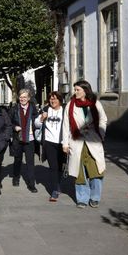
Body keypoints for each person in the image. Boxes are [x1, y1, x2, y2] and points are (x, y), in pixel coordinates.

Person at [62, 80, 107, 208]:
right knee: (79, 172)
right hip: (77, 142)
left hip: (93, 140)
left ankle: (95, 197)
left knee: (96, 171)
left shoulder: (95, 104)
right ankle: (82, 198)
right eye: (75, 90)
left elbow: (103, 119)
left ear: (85, 91)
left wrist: (101, 134)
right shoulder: (71, 105)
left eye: (77, 90)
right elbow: (66, 126)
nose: (75, 92)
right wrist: (65, 144)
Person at [34, 91, 65, 202]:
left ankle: (58, 183)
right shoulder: (46, 109)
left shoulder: (64, 110)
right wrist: (41, 119)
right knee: (53, 167)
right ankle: (55, 190)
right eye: (51, 99)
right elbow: (36, 124)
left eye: (55, 99)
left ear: (60, 100)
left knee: (61, 166)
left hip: (62, 143)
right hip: (49, 142)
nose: (53, 101)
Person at [9, 89, 39, 192]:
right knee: (17, 160)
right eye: (21, 97)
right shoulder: (14, 109)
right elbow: (9, 123)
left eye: (25, 97)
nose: (22, 99)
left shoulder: (33, 108)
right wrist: (14, 127)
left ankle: (31, 184)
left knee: (30, 162)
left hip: (29, 139)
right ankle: (16, 177)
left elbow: (37, 121)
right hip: (18, 139)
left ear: (29, 98)